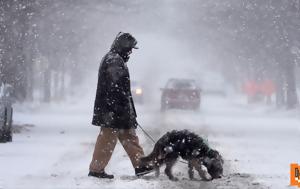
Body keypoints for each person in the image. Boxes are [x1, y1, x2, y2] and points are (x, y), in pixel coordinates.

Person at [88, 32, 153, 179]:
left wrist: (129, 112)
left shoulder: (115, 59)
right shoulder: (113, 60)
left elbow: (120, 90)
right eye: (129, 48)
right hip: (112, 110)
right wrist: (119, 110)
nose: (130, 52)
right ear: (123, 46)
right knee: (107, 139)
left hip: (117, 110)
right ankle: (96, 169)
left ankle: (140, 165)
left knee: (129, 136)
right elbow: (115, 88)